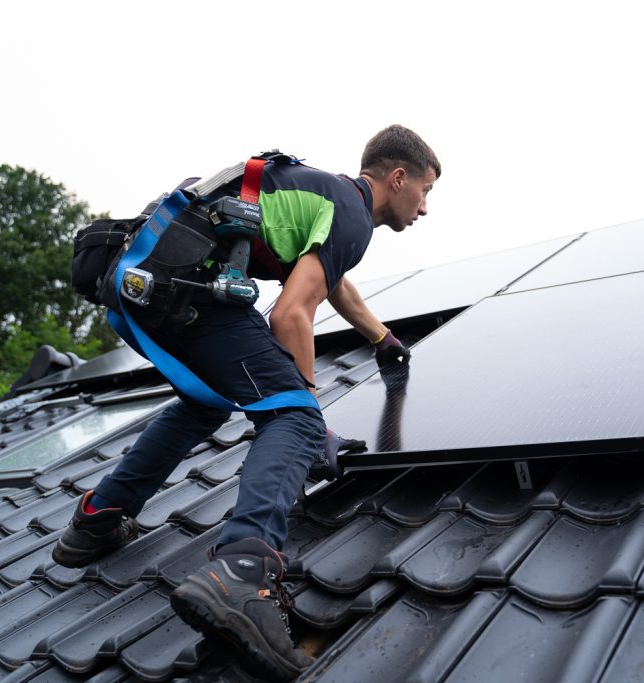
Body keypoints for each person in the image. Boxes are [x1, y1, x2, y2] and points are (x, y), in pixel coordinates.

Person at [52, 124, 440, 680]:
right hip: (186, 288)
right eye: (425, 191)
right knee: (296, 417)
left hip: (139, 285)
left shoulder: (329, 199)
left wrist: (382, 338)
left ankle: (96, 518)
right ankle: (242, 571)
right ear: (397, 178)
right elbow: (290, 314)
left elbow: (330, 283)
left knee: (205, 401)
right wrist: (311, 420)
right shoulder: (353, 217)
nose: (424, 208)